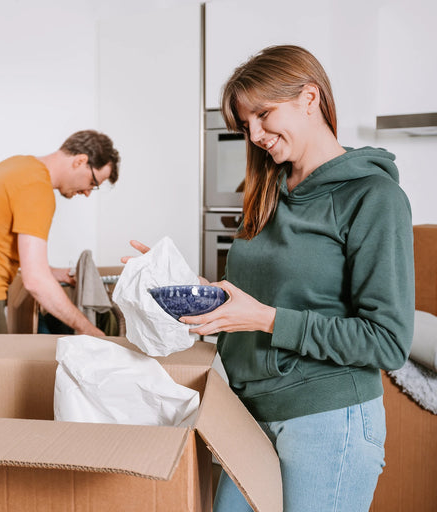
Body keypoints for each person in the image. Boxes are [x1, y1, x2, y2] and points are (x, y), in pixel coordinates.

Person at [124, 45, 415, 512]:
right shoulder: (267, 190)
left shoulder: (373, 197)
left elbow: (387, 341)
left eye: (263, 115)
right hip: (248, 413)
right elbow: (263, 294)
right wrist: (191, 288)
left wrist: (264, 319)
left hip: (327, 419)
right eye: (245, 125)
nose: (255, 135)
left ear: (309, 96)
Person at [0, 129, 120, 348]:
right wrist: (87, 328)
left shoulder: (20, 166)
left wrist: (52, 272)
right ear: (80, 161)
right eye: (94, 182)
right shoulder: (37, 189)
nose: (88, 192)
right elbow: (35, 281)